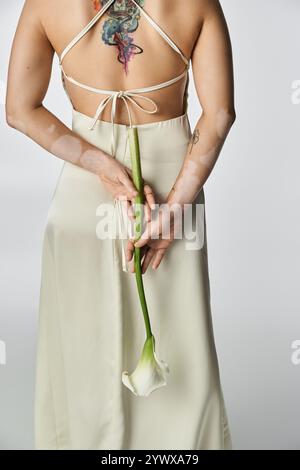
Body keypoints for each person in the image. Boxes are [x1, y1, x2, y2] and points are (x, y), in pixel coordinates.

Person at [6, 0, 236, 450]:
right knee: (179, 332)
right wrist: (175, 208)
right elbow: (220, 114)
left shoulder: (46, 5)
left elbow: (19, 110)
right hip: (174, 191)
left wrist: (97, 161)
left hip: (84, 189)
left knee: (84, 340)